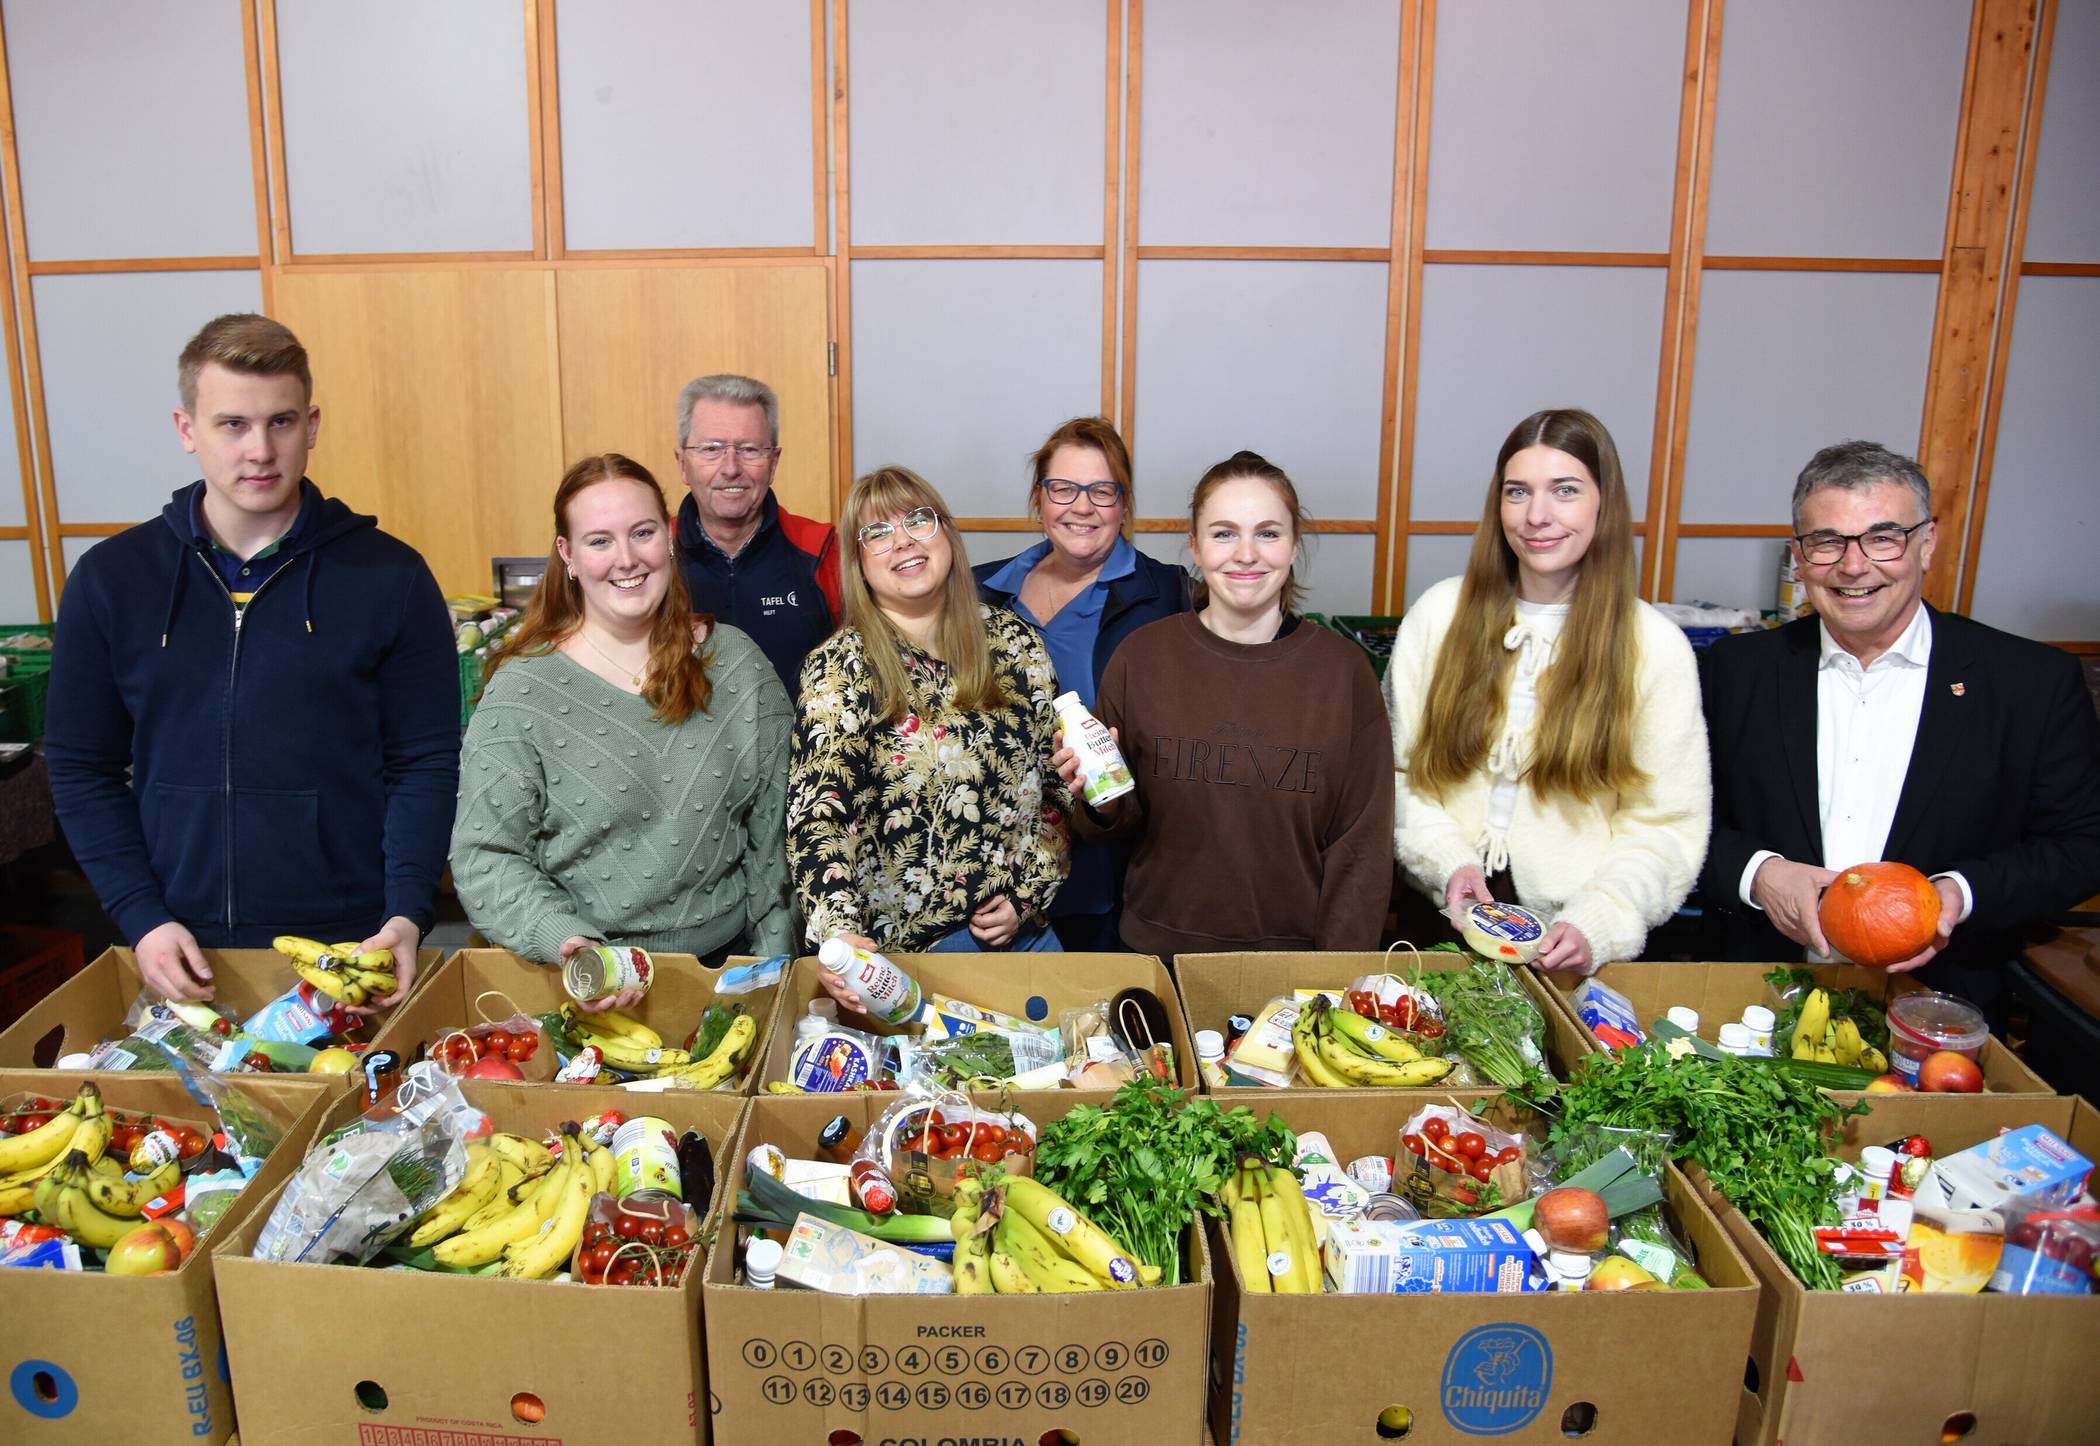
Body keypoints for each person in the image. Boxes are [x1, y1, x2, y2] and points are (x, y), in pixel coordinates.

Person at [45, 313, 458, 1008]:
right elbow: (82, 767)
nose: (260, 450)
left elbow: (425, 761)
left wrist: (407, 913)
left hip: (349, 945)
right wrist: (141, 916)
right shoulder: (112, 579)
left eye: (281, 422)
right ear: (187, 429)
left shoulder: (390, 577)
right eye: (232, 424)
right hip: (176, 943)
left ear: (312, 425)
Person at [1700, 440, 2100, 1009]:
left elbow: (2082, 845)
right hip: (1751, 997)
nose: (1853, 565)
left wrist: (1959, 893)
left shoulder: (2030, 682)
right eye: (1827, 541)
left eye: (1883, 537)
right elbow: (1675, 820)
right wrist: (1758, 874)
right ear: (1799, 555)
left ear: (1926, 543)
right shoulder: (1734, 671)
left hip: (1941, 1003)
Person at [450, 454, 794, 1003]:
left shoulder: (737, 666)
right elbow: (485, 856)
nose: (627, 559)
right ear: (568, 555)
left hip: (727, 975)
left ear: (669, 537)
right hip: (581, 978)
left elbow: (776, 841)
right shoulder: (522, 691)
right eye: (600, 541)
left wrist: (771, 975)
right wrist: (569, 943)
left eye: (642, 533)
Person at [1387, 409, 1709, 974]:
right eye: (1518, 492)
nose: (1537, 516)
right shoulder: (1438, 615)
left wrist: (1599, 919)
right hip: (1435, 924)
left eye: (1565, 491)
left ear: (1605, 502)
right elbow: (1396, 774)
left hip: (1570, 945)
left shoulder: (1656, 647)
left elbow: (1665, 827)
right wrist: (1448, 862)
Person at [1057, 450, 1393, 958]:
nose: (1246, 554)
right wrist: (1097, 796)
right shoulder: (1142, 657)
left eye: (1268, 533)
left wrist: (1337, 971)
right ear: (1195, 545)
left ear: (1294, 545)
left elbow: (1362, 847)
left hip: (1295, 962)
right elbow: (1116, 825)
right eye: (1224, 533)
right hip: (1155, 949)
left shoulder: (1343, 673)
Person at [789, 465, 1069, 977]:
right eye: (877, 532)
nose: (902, 541)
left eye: (918, 520)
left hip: (1026, 939)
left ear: (946, 533)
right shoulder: (840, 667)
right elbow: (819, 815)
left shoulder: (1015, 642)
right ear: (858, 562)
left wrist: (1028, 893)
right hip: (907, 962)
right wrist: (839, 935)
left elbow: (1057, 790)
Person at [975, 416, 1190, 949]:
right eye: (1063, 488)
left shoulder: (1167, 595)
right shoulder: (981, 590)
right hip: (997, 873)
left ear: (1124, 503)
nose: (1082, 506)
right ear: (1039, 499)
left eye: (1102, 490)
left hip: (1110, 865)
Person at [672, 373, 841, 697]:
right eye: (711, 449)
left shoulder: (823, 551)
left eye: (749, 449)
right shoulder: (651, 554)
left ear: (773, 463)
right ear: (683, 463)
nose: (731, 468)